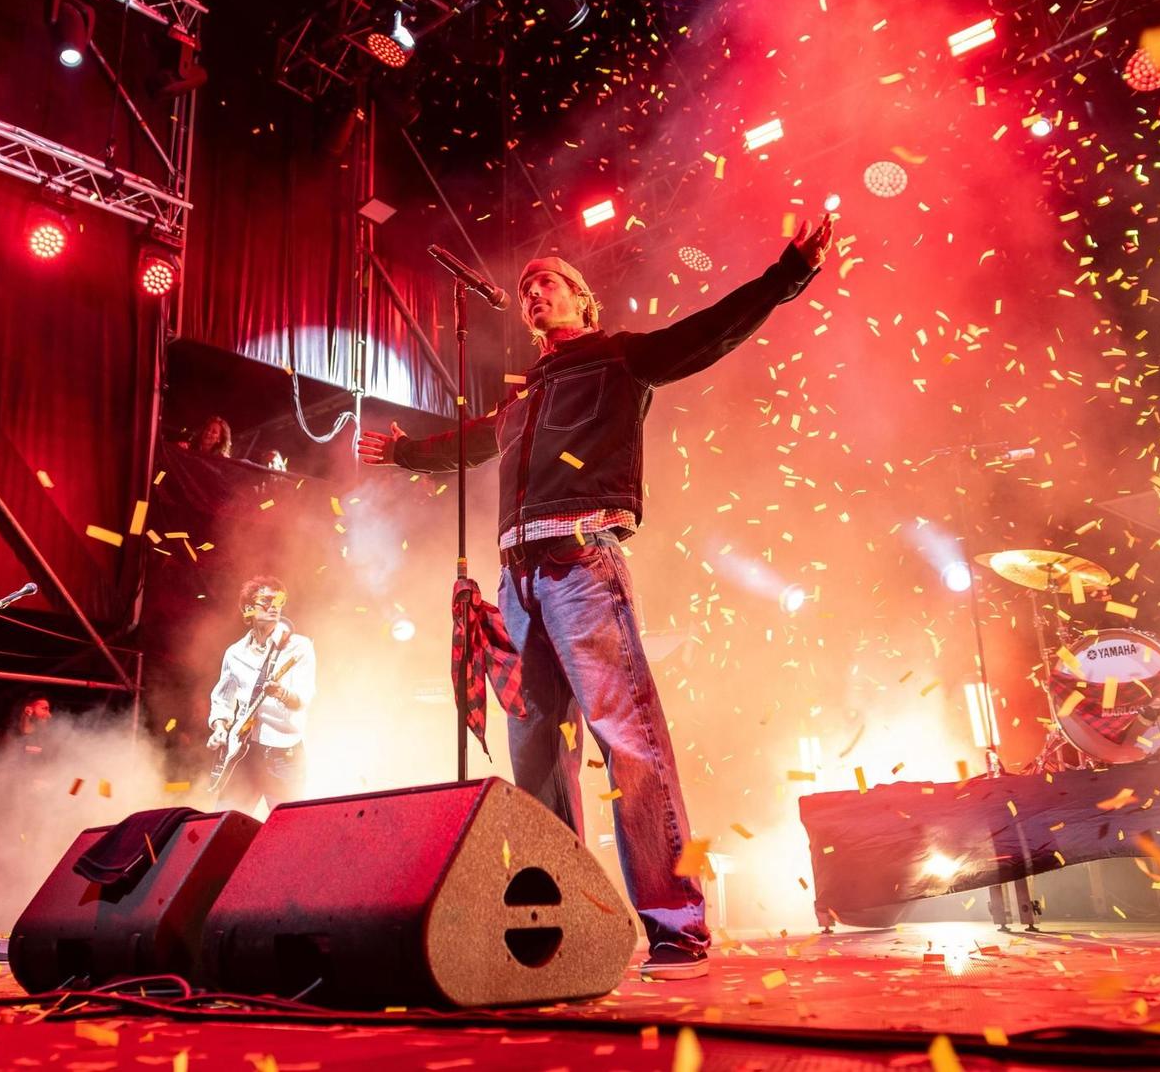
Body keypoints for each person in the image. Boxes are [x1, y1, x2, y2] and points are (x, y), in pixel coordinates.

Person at [357, 214, 835, 979]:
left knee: (625, 737)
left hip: (581, 562)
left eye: (546, 281)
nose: (532, 293)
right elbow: (478, 439)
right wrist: (407, 452)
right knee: (537, 757)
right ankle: (563, 923)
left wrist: (787, 274)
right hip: (518, 580)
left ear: (581, 297)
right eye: (524, 289)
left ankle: (674, 924)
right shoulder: (526, 396)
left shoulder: (618, 358)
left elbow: (710, 331)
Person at [206, 575, 316, 813]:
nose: (274, 606)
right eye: (266, 601)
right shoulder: (234, 653)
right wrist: (220, 728)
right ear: (248, 608)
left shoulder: (299, 647)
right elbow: (222, 699)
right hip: (244, 755)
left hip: (283, 756)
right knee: (223, 825)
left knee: (289, 832)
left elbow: (303, 699)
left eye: (279, 600)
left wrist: (282, 693)